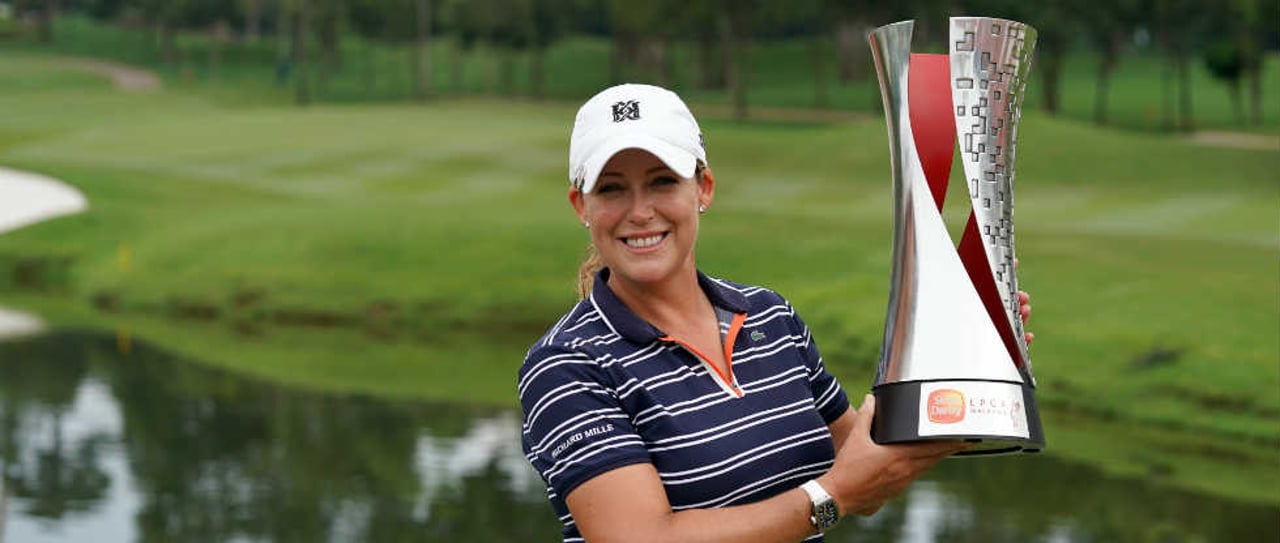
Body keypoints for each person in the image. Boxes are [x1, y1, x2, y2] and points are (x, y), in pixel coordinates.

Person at [518, 83, 1033, 542]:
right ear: (580, 207)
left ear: (703, 188)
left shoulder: (770, 316)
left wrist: (962, 372)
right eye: (611, 188)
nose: (639, 211)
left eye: (661, 181)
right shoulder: (565, 368)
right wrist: (832, 498)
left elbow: (864, 474)